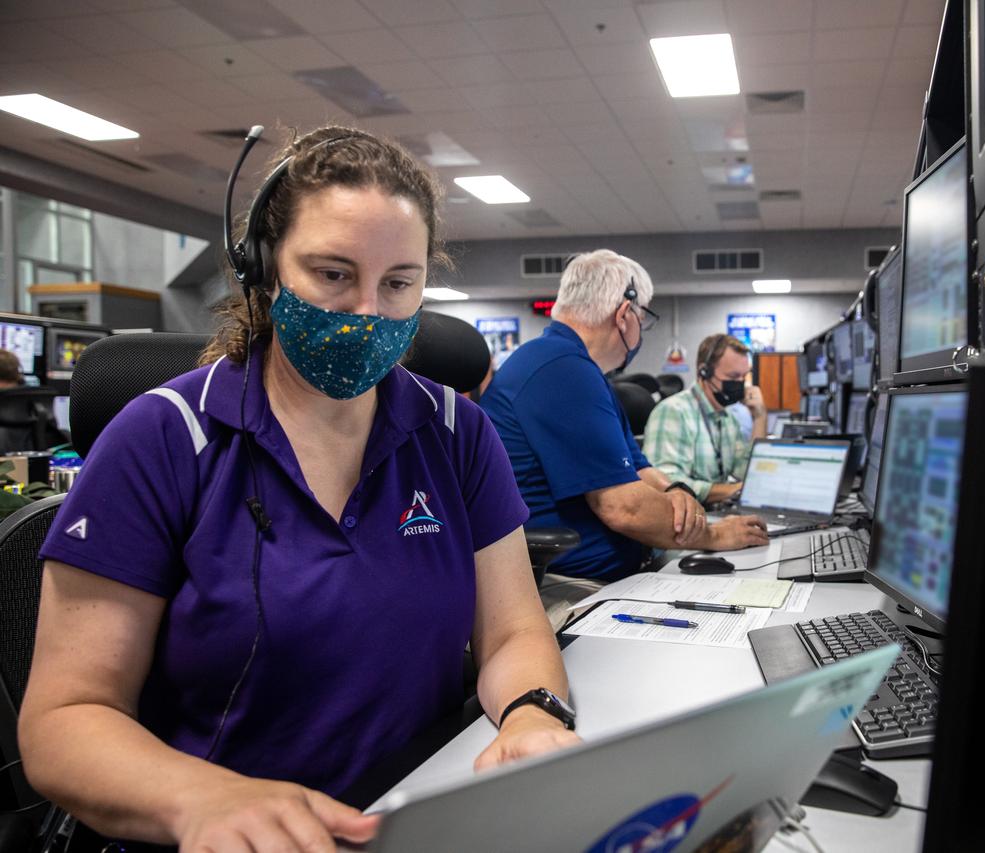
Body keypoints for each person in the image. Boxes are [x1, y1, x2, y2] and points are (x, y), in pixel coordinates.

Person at [18, 126, 579, 852]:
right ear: (266, 270)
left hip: (412, 820)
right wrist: (202, 798)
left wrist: (533, 713)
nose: (368, 310)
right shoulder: (162, 439)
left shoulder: (455, 432)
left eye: (398, 282)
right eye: (334, 273)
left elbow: (510, 632)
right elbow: (64, 719)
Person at [480, 250, 768, 582]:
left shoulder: (575, 367)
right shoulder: (561, 370)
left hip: (620, 570)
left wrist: (676, 490)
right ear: (624, 315)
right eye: (642, 319)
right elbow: (624, 509)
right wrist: (716, 536)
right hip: (569, 584)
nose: (641, 331)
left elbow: (638, 467)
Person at [643, 334, 768, 505]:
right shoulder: (674, 412)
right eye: (733, 377)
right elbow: (665, 480)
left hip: (717, 515)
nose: (741, 385)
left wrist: (760, 417)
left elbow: (744, 472)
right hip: (685, 521)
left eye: (743, 377)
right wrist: (730, 490)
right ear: (704, 372)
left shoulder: (728, 417)